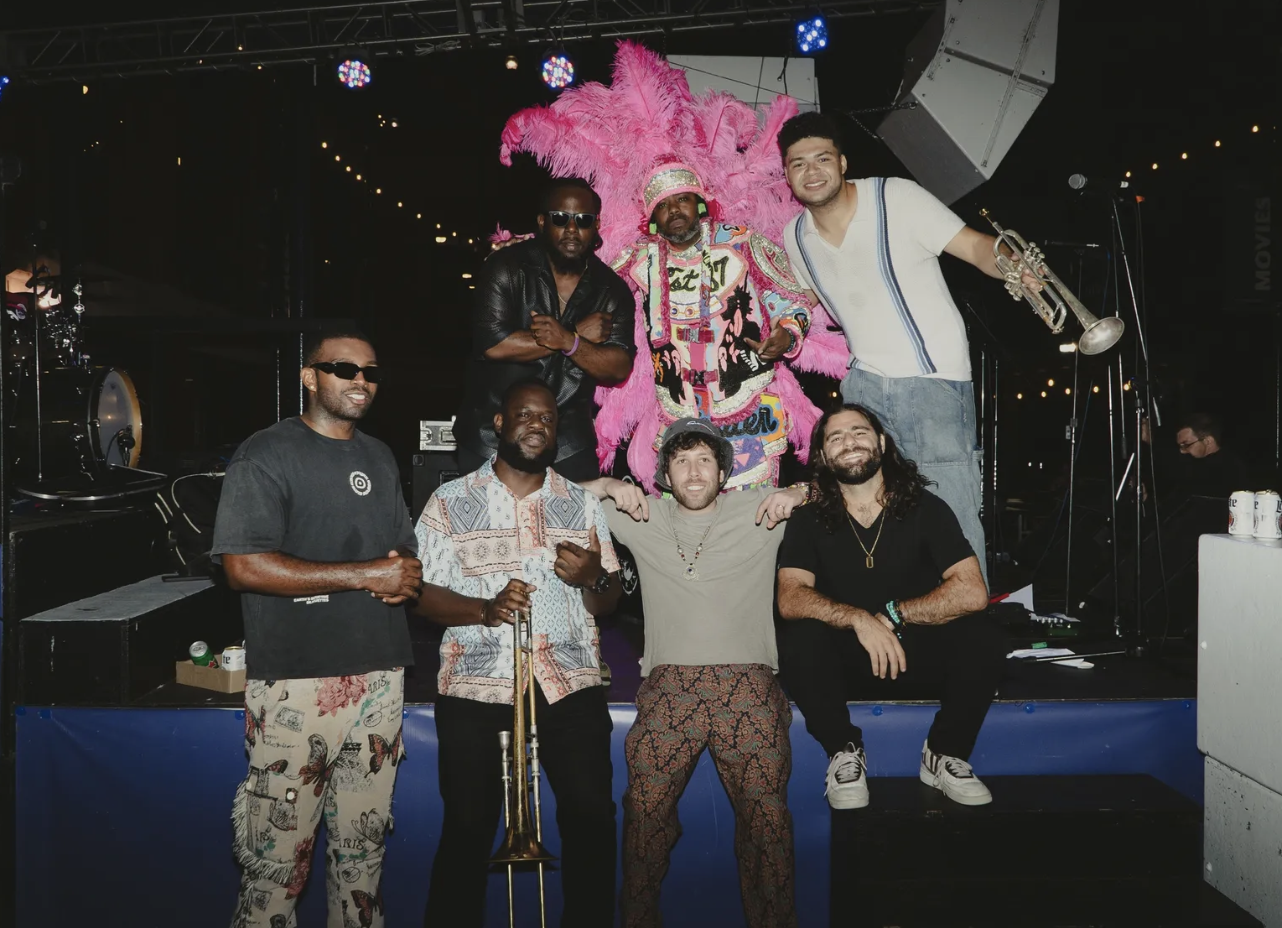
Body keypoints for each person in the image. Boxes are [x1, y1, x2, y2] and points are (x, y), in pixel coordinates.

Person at [212, 331, 423, 928]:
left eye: (370, 372)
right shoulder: (266, 452)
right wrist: (365, 575)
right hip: (296, 685)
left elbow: (402, 553)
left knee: (363, 863)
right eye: (343, 368)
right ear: (309, 377)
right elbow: (242, 566)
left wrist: (403, 577)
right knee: (275, 868)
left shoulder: (380, 456)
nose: (360, 380)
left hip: (380, 677)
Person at [778, 112, 1042, 585]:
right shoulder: (794, 236)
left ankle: (966, 616)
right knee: (870, 511)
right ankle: (895, 611)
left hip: (931, 380)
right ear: (787, 174)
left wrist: (1014, 266)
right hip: (862, 384)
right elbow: (809, 298)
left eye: (822, 158)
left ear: (842, 162)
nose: (811, 171)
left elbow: (975, 247)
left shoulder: (895, 197)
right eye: (798, 163)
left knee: (950, 510)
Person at [416, 378, 622, 928]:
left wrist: (594, 576)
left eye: (548, 418)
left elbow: (607, 601)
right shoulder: (450, 501)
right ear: (500, 424)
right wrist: (483, 609)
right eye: (525, 414)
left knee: (591, 818)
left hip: (569, 682)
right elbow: (421, 594)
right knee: (468, 824)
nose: (537, 424)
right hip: (476, 683)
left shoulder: (581, 503)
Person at [583, 419, 806, 927]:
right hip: (670, 687)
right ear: (664, 475)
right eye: (681, 461)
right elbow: (548, 496)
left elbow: (847, 491)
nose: (694, 471)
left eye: (705, 459)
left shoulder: (758, 507)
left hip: (748, 685)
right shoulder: (644, 513)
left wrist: (798, 491)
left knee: (768, 821)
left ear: (723, 472)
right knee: (644, 813)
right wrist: (610, 484)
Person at [776, 404, 1007, 809]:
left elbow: (972, 591)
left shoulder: (926, 508)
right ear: (824, 456)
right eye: (836, 437)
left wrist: (894, 614)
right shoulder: (808, 519)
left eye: (859, 432)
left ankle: (944, 753)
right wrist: (858, 619)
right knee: (800, 634)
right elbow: (790, 597)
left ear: (881, 443)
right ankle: (843, 751)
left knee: (981, 630)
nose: (849, 442)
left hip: (914, 655)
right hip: (839, 667)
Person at [605, 160, 816, 491]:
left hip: (746, 407)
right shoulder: (638, 258)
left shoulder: (741, 243)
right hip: (677, 411)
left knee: (751, 512)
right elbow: (589, 290)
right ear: (652, 218)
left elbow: (791, 300)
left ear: (700, 203)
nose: (674, 210)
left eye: (682, 199)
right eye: (662, 205)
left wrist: (786, 335)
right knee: (687, 510)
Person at [454, 177, 637, 482]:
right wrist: (573, 334)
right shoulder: (507, 267)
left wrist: (569, 341)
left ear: (596, 225)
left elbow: (618, 368)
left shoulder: (612, 290)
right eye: (561, 218)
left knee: (576, 514)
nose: (572, 229)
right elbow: (494, 344)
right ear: (542, 222)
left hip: (567, 439)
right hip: (493, 433)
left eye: (583, 220)